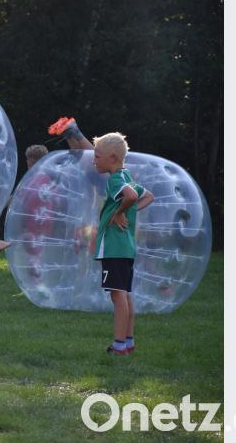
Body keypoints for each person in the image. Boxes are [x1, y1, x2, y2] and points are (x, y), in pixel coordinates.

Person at [92, 133, 154, 356]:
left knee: (117, 296)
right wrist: (128, 210)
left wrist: (119, 212)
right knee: (125, 294)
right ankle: (128, 342)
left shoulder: (116, 179)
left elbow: (129, 196)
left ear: (112, 157)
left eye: (97, 156)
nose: (94, 161)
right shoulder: (128, 176)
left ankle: (118, 347)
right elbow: (148, 196)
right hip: (126, 247)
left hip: (115, 246)